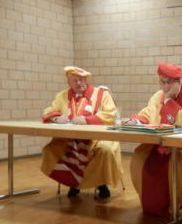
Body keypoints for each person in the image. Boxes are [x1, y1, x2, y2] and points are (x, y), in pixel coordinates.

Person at [122, 62, 182, 216]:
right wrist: (134, 120)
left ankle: (176, 200)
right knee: (138, 159)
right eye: (162, 82)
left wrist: (169, 101)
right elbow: (148, 114)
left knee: (174, 166)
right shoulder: (157, 96)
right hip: (157, 145)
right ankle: (150, 202)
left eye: (169, 82)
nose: (165, 86)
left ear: (178, 82)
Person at [41, 66, 123, 198]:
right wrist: (57, 117)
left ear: (86, 80)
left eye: (82, 79)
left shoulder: (102, 94)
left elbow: (110, 115)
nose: (79, 83)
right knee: (51, 149)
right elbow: (49, 111)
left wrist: (87, 119)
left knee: (104, 150)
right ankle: (72, 182)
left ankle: (102, 184)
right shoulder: (62, 96)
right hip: (70, 138)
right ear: (69, 83)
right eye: (75, 80)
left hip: (98, 138)